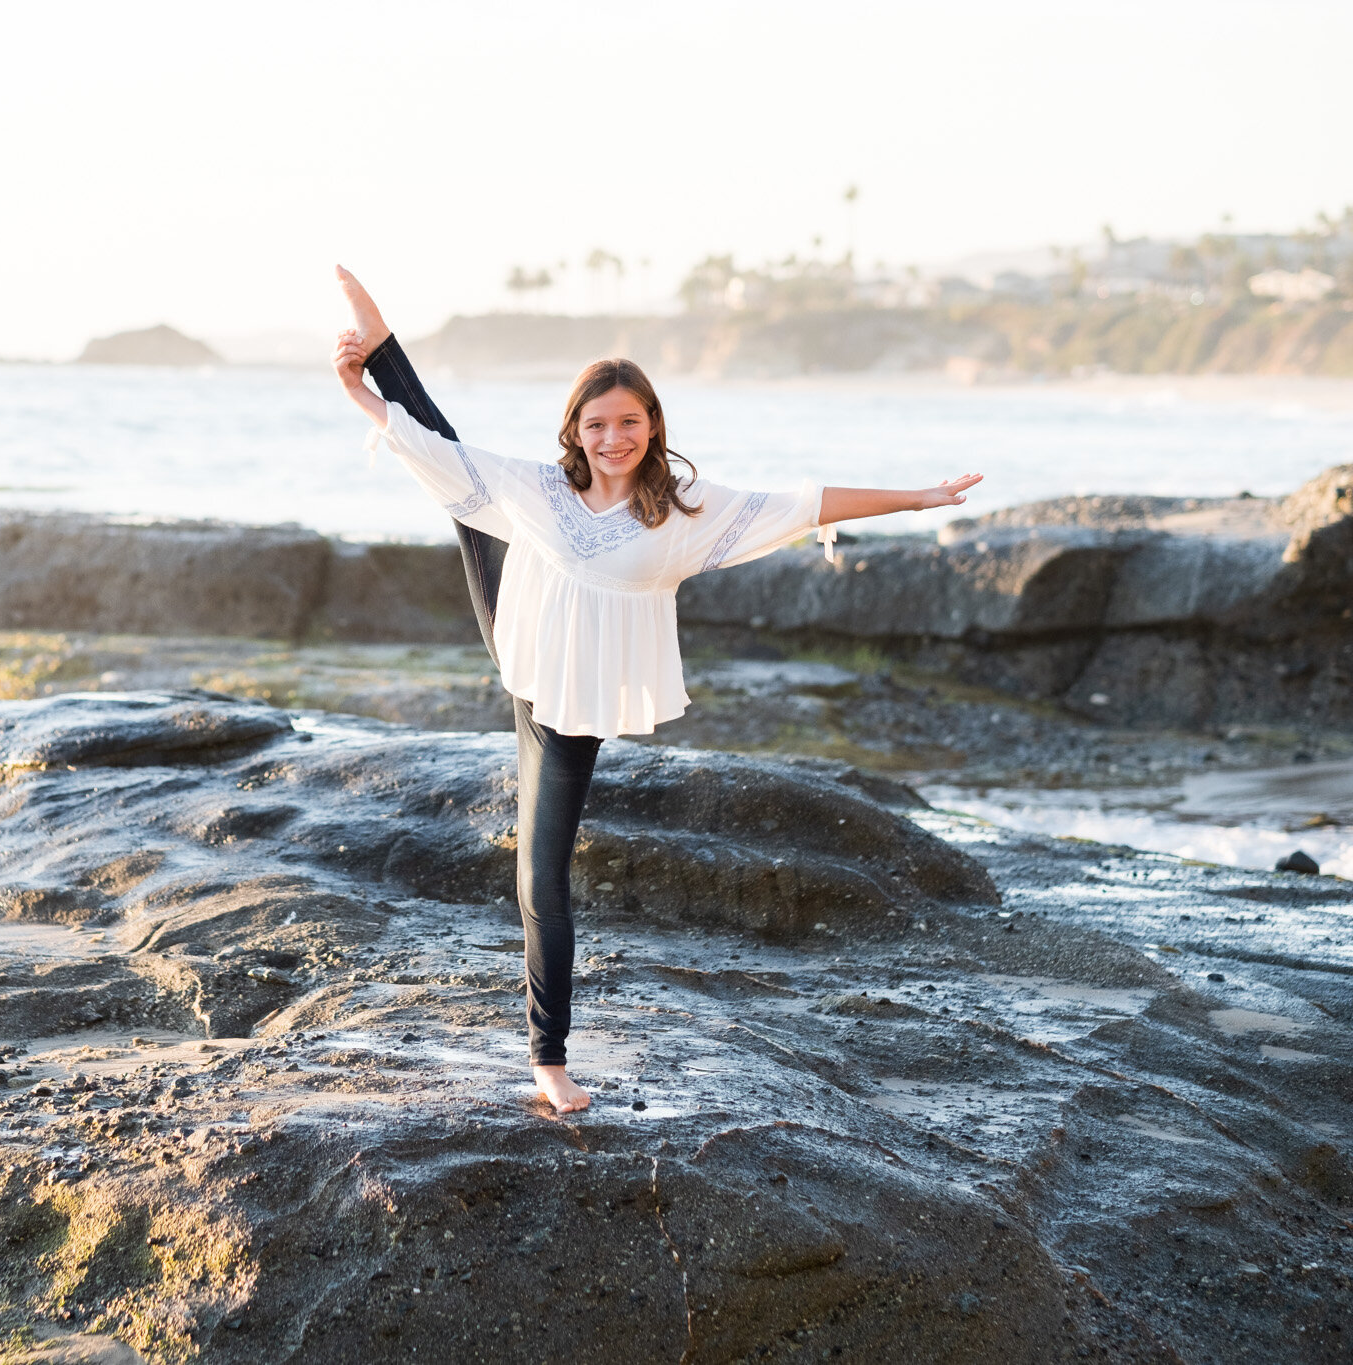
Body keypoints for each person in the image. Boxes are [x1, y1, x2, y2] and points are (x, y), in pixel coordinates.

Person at [332, 266, 982, 1115]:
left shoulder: (684, 511)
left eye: (629, 422)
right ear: (576, 429)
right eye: (598, 424)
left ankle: (547, 1057)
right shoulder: (543, 487)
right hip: (520, 626)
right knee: (465, 481)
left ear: (652, 427)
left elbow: (802, 501)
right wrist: (359, 386)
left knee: (542, 873)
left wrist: (918, 498)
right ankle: (384, 343)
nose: (614, 437)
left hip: (569, 693)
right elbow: (433, 449)